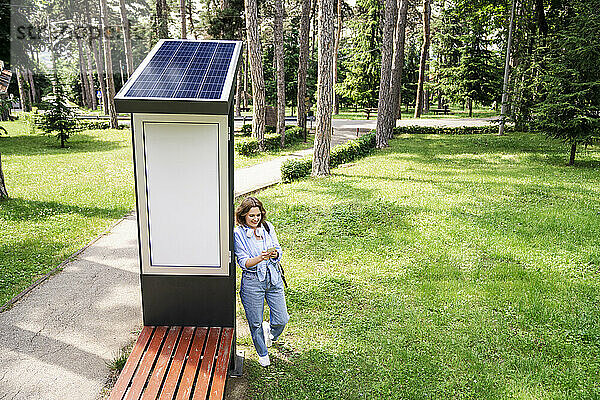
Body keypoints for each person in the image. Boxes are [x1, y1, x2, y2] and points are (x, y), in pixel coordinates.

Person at [233, 196, 289, 367]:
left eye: (258, 215)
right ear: (243, 216)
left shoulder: (267, 227)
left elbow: (278, 249)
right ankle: (262, 352)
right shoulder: (238, 234)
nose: (256, 219)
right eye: (252, 216)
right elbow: (243, 262)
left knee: (282, 318)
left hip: (273, 277)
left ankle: (271, 333)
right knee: (255, 321)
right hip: (252, 281)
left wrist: (275, 254)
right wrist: (259, 258)